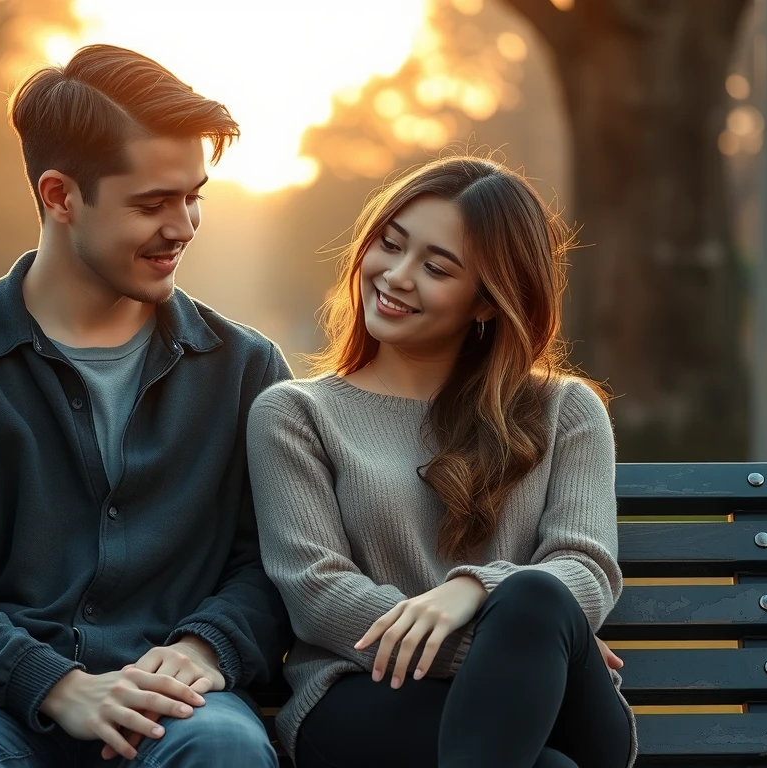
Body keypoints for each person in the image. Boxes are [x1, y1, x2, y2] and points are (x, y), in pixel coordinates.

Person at [0, 44, 291, 768]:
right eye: (152, 203)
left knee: (226, 751)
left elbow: (271, 564)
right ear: (59, 197)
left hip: (173, 704)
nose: (183, 226)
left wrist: (205, 643)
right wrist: (55, 684)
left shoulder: (245, 368)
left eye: (193, 196)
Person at [247, 156, 638, 768]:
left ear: (486, 303)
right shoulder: (296, 413)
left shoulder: (565, 410)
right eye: (390, 244)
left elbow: (584, 568)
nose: (397, 276)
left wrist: (473, 592)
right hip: (368, 696)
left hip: (563, 709)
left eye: (434, 267)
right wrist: (516, 647)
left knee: (537, 596)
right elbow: (318, 594)